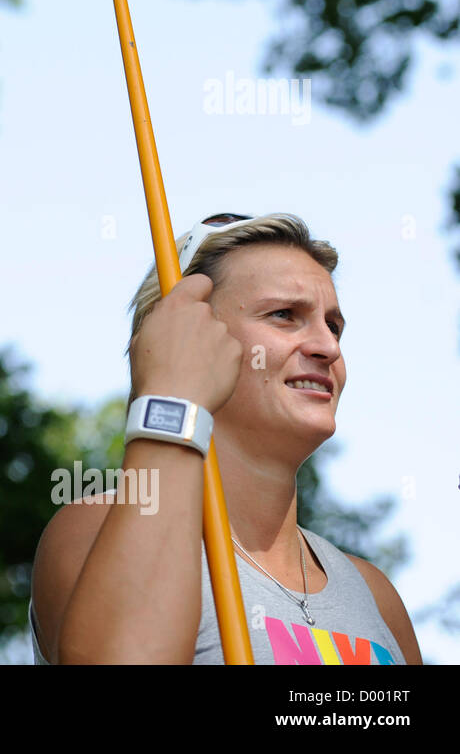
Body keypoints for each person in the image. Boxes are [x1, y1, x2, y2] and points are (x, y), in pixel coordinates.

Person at [28, 213, 422, 664]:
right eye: (284, 315)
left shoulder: (371, 593)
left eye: (333, 326)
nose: (328, 347)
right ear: (189, 338)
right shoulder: (97, 527)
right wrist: (171, 397)